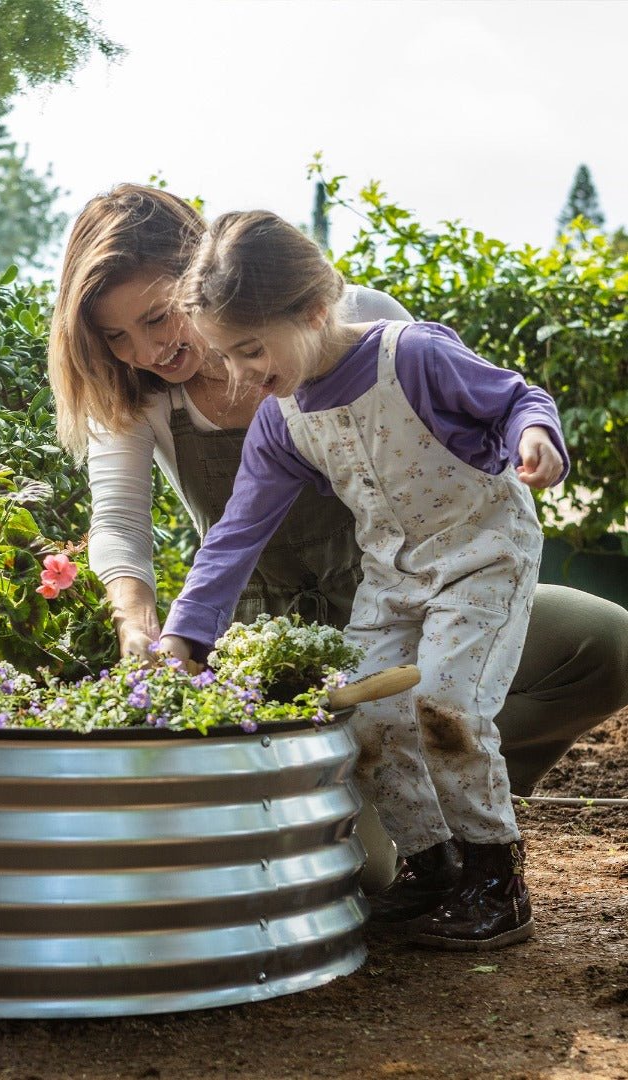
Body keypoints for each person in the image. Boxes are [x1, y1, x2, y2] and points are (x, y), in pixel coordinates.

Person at [46, 182, 628, 902]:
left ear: (201, 278)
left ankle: (469, 806)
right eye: (117, 336)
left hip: (412, 592)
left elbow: (459, 415)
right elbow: (156, 528)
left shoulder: (365, 331)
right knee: (363, 879)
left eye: (160, 317)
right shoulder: (151, 398)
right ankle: (416, 807)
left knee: (600, 643)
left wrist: (528, 444)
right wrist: (152, 630)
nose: (147, 351)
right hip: (286, 636)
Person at [154, 208, 571, 949]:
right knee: (368, 718)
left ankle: (495, 880)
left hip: (482, 556)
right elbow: (237, 532)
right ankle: (434, 867)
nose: (244, 375)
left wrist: (535, 438)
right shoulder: (282, 420)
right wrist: (186, 632)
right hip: (393, 577)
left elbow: (515, 399)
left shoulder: (411, 355)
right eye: (229, 358)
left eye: (252, 350)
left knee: (445, 706)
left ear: (314, 309)